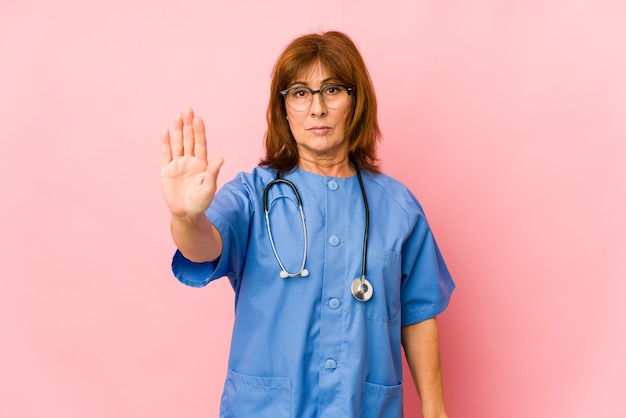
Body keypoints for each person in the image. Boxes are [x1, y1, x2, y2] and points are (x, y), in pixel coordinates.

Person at [160, 31, 455, 418]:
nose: (316, 108)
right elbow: (202, 246)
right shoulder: (253, 194)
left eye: (332, 90)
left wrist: (435, 412)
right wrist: (186, 217)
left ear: (356, 101)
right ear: (283, 109)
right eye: (299, 93)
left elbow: (418, 315)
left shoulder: (399, 208)